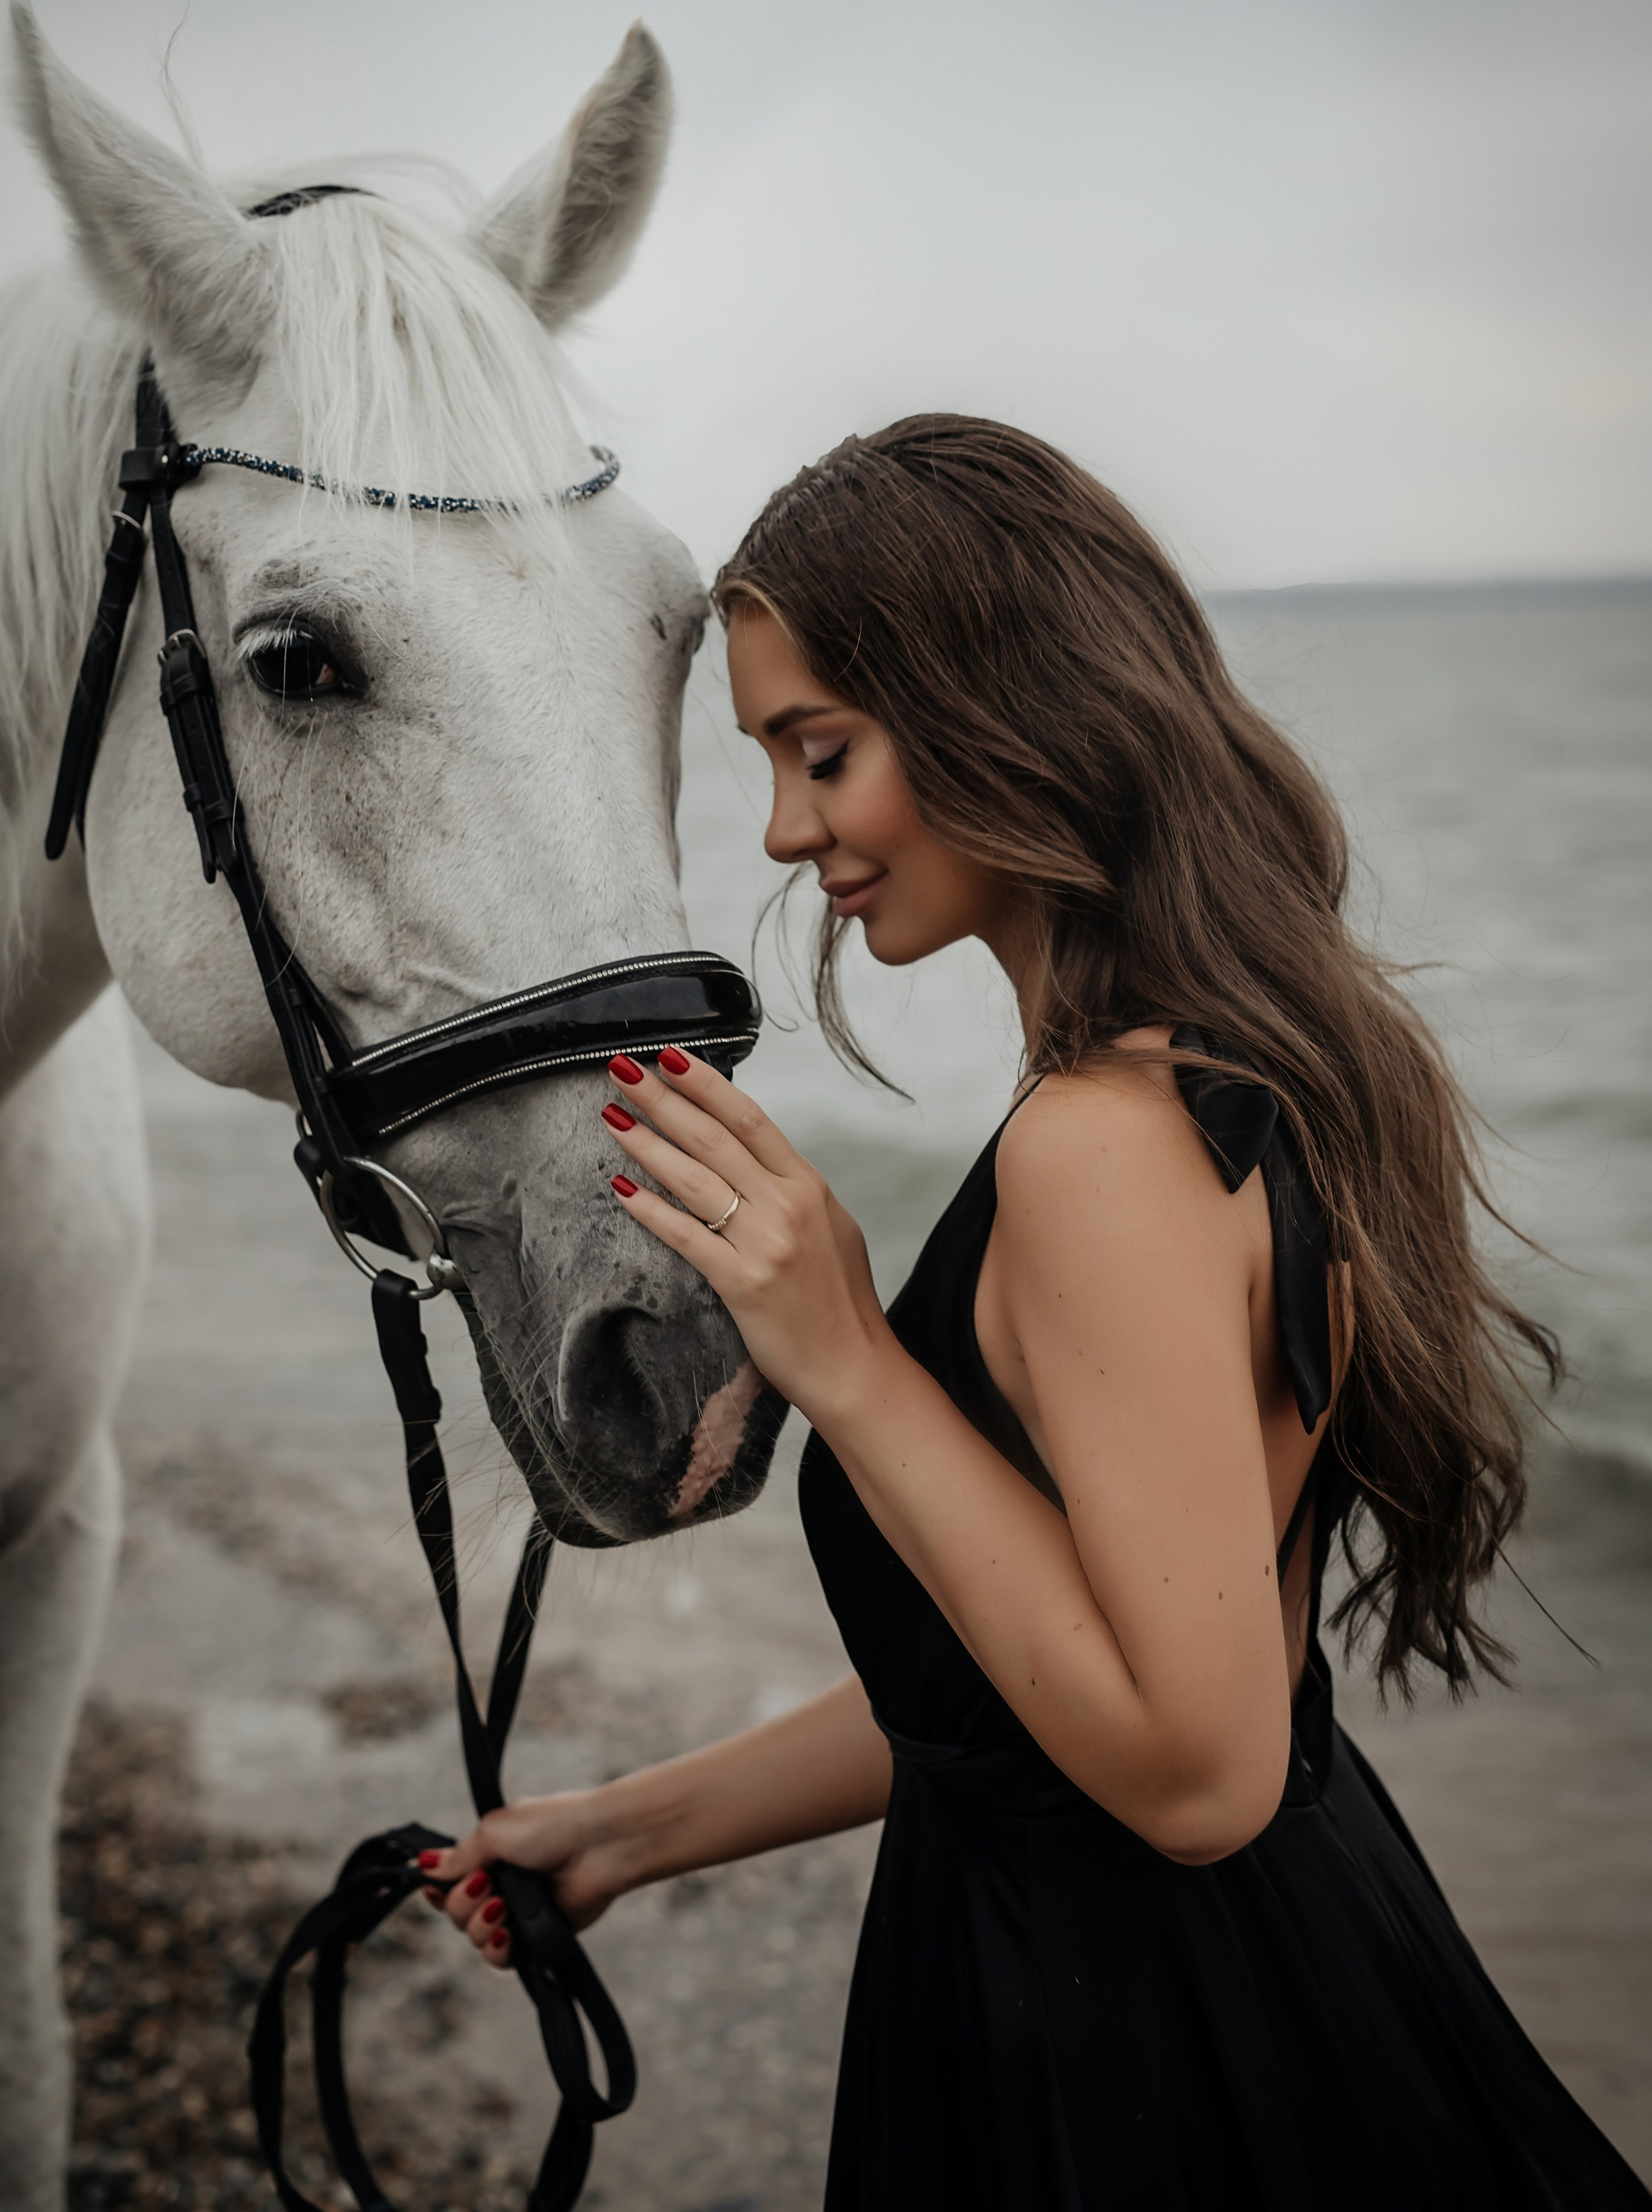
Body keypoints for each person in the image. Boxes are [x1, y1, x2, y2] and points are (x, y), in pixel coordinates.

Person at [422, 418, 1650, 2209]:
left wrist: (851, 1361)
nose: (785, 831)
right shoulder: (1229, 1080)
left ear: (1002, 703)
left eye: (821, 753)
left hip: (1136, 2061)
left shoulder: (1104, 1151)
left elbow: (1197, 1775)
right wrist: (624, 1831)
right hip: (1248, 1986)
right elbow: (1028, 1690)